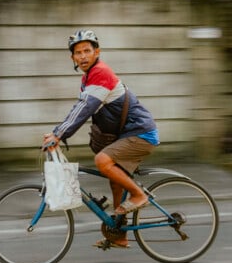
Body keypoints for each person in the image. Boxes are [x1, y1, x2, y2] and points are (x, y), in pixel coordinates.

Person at [42, 29, 160, 249]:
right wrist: (58, 131)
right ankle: (119, 235)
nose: (83, 56)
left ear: (97, 52)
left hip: (141, 133)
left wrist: (58, 134)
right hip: (128, 133)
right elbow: (79, 108)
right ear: (73, 58)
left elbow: (85, 109)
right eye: (78, 52)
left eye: (87, 50)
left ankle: (138, 194)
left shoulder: (101, 73)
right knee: (115, 182)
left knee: (103, 161)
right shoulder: (87, 78)